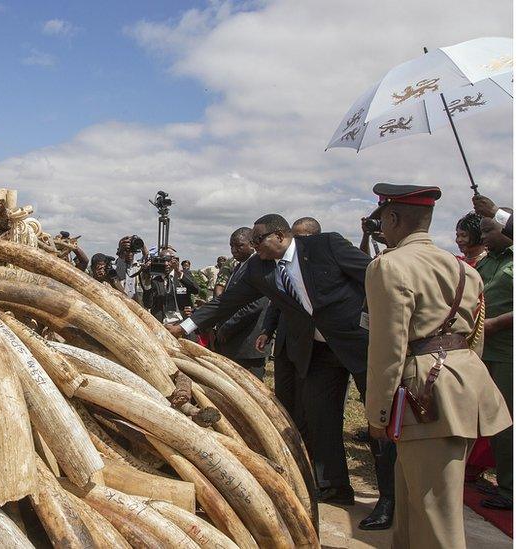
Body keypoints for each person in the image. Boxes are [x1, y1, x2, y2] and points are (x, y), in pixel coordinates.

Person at [167, 212, 397, 529]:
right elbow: (226, 303)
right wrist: (185, 327)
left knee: (377, 419)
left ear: (279, 236)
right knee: (319, 417)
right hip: (317, 352)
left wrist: (385, 325)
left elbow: (373, 278)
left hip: (360, 345)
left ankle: (389, 499)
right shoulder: (259, 268)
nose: (254, 246)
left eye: (258, 240)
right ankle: (334, 486)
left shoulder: (325, 245)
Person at [364, 184, 510, 547]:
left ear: (393, 217)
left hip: (424, 392)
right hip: (459, 385)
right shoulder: (464, 269)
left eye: (383, 218)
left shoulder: (389, 266)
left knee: (434, 513)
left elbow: (388, 348)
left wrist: (378, 413)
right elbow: (474, 337)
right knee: (417, 503)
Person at [257, 217, 322, 445]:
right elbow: (276, 303)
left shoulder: (321, 265)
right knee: (285, 396)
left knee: (308, 401)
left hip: (314, 346)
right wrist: (267, 329)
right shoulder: (279, 267)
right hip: (286, 341)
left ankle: (307, 443)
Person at [475, 212, 513, 510]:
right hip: (483, 351)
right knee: (491, 420)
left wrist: (497, 322)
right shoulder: (489, 260)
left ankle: (510, 490)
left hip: (506, 354)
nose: (483, 235)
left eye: (489, 229)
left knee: (507, 422)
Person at [213, 227, 270, 378]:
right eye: (231, 246)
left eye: (239, 245)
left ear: (252, 244)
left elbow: (255, 305)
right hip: (234, 342)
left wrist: (227, 327)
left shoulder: (260, 267)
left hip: (249, 344)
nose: (234, 250)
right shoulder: (238, 267)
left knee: (252, 392)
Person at [145, 247, 199, 323]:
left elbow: (196, 290)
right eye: (163, 261)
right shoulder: (155, 281)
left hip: (183, 320)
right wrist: (146, 278)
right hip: (163, 322)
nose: (166, 264)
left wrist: (178, 272)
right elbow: (148, 304)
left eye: (169, 261)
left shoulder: (184, 274)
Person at [116, 235, 148, 302]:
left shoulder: (138, 267)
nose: (129, 253)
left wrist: (141, 244)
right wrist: (121, 247)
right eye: (126, 250)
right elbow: (120, 264)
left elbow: (146, 257)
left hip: (135, 303)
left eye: (132, 250)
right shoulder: (116, 266)